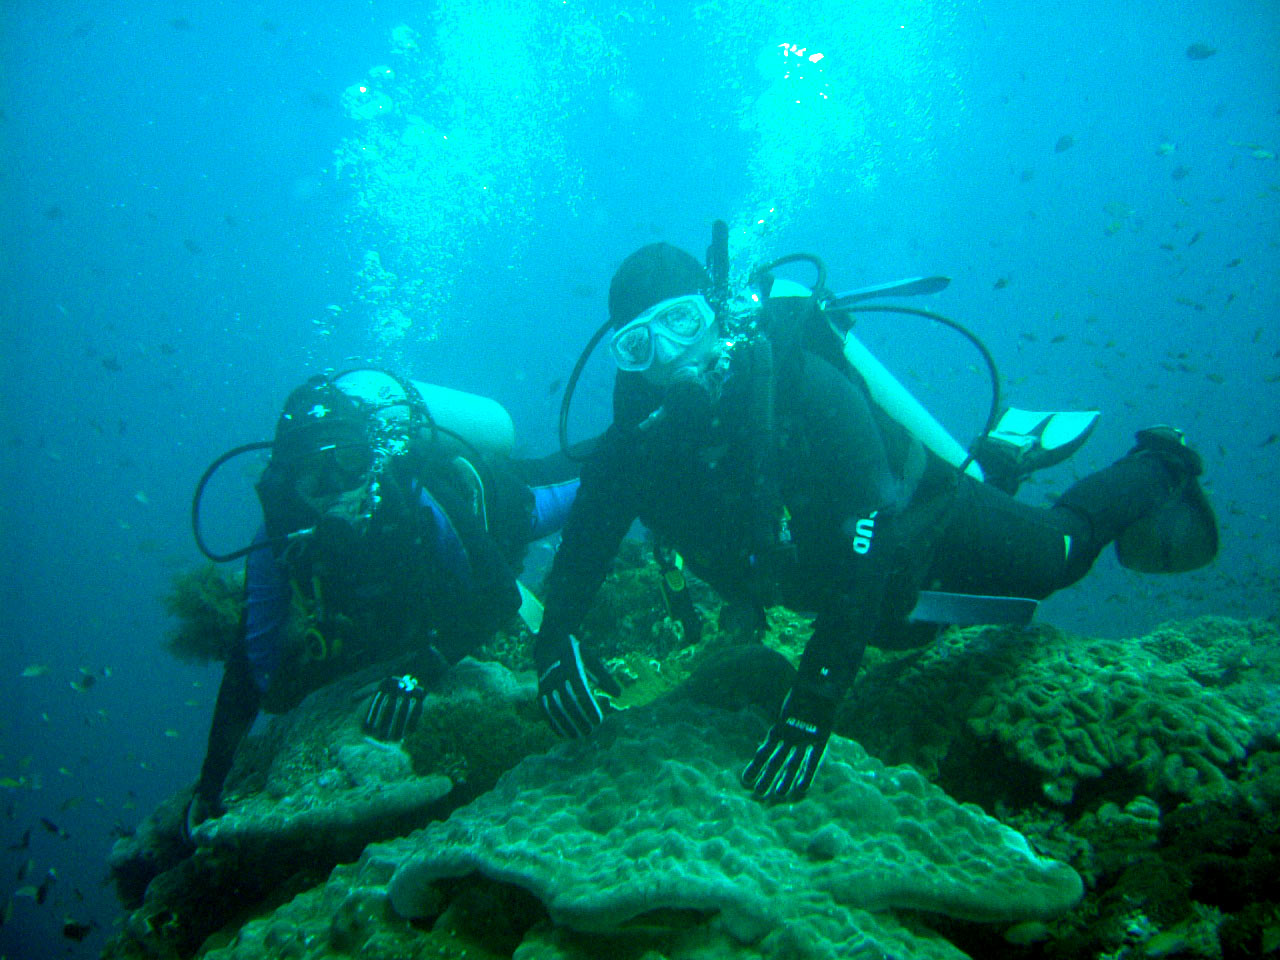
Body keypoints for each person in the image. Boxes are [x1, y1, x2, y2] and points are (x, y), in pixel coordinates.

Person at [533, 242, 1217, 802]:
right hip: (853, 599)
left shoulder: (804, 388)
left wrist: (814, 699)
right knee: (904, 627)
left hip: (921, 521)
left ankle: (1161, 459)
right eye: (638, 346)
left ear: (717, 313)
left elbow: (872, 537)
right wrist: (553, 639)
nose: (668, 355)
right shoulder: (634, 447)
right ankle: (1000, 458)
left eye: (681, 323)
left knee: (1054, 561)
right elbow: (586, 542)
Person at [186, 370, 580, 832]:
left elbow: (500, 597)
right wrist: (209, 787)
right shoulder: (280, 540)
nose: (337, 493)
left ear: (370, 458)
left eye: (349, 463)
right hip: (426, 594)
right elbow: (251, 667)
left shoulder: (410, 489)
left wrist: (420, 671)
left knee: (605, 468)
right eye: (315, 480)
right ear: (288, 486)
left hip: (506, 512)